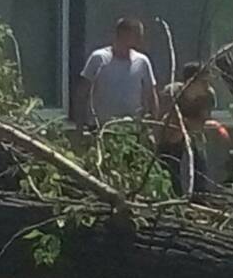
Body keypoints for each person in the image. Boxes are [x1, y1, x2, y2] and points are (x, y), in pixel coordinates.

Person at [79, 18, 158, 127]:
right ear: (123, 34)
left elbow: (151, 95)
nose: (140, 38)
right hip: (101, 126)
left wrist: (153, 125)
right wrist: (79, 125)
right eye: (137, 35)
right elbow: (82, 93)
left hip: (132, 127)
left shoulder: (142, 61)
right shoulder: (99, 58)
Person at [157, 63, 215, 196]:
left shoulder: (208, 96)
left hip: (193, 133)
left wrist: (186, 124)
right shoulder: (171, 92)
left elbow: (202, 122)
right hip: (170, 133)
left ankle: (200, 195)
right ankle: (172, 195)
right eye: (203, 81)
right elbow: (164, 120)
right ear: (191, 82)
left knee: (199, 158)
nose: (208, 85)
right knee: (169, 161)